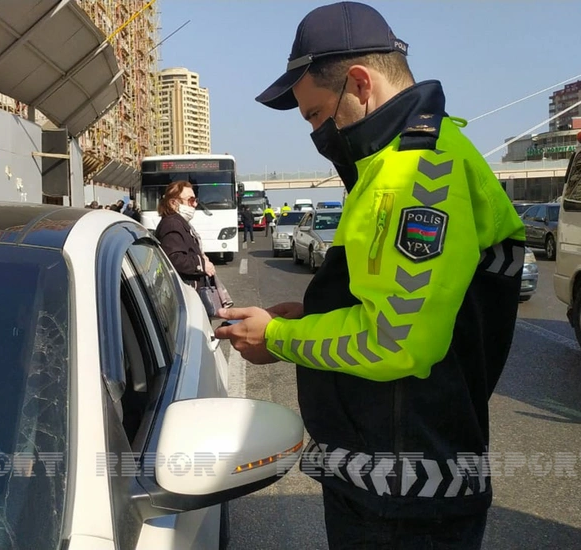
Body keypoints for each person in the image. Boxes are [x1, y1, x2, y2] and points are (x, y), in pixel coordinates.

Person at [214, 2, 526, 549]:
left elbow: (395, 340)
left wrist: (280, 338)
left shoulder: (416, 174)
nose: (316, 133)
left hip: (406, 504)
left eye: (315, 115)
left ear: (359, 84)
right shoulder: (402, 161)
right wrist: (316, 316)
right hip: (395, 488)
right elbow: (393, 298)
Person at [154, 181, 215, 289]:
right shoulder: (171, 224)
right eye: (191, 200)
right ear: (173, 203)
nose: (195, 204)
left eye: (196, 200)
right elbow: (175, 258)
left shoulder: (179, 222)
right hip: (186, 290)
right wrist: (202, 264)